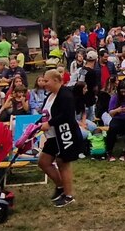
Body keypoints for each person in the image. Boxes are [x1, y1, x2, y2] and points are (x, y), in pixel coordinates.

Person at [39, 68, 82, 208]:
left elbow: (67, 115)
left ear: (56, 80)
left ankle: (69, 195)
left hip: (64, 134)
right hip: (52, 135)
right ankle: (60, 186)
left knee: (63, 163)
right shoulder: (50, 95)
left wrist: (50, 123)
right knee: (43, 162)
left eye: (46, 81)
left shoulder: (65, 95)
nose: (44, 83)